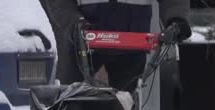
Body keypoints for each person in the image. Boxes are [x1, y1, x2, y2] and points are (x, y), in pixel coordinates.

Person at [39, 0, 192, 92]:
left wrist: (176, 20)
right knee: (71, 101)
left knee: (127, 107)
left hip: (132, 42)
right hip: (83, 40)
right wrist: (72, 21)